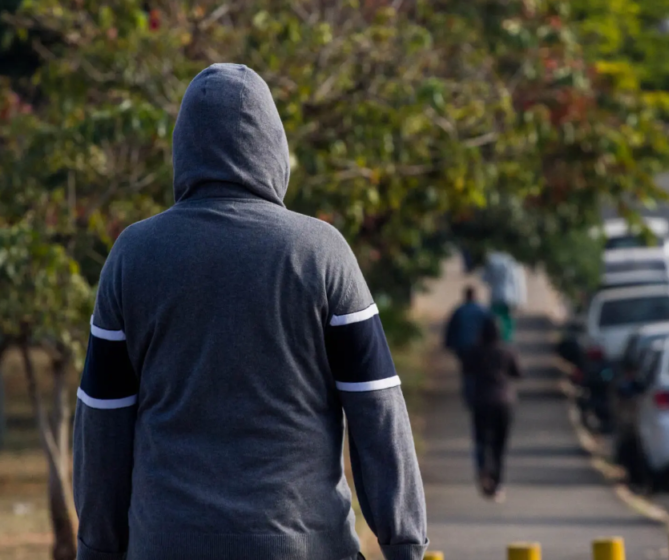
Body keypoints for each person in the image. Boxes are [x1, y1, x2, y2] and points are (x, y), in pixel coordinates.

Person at [72, 64, 427, 560]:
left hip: (168, 544)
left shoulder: (134, 256)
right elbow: (377, 411)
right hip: (304, 544)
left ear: (183, 149)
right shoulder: (321, 252)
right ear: (275, 148)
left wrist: (97, 547)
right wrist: (403, 542)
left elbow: (102, 424)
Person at [462, 317, 522, 502]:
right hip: (504, 402)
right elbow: (518, 373)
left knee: (481, 440)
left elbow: (466, 370)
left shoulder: (475, 351)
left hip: (481, 401)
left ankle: (483, 471)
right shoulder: (507, 351)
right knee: (499, 445)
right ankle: (497, 482)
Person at [444, 286, 490, 406]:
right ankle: (479, 394)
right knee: (479, 371)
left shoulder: (459, 311)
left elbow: (451, 329)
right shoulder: (483, 311)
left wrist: (448, 344)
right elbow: (491, 329)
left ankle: (469, 396)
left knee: (466, 372)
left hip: (463, 347)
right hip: (479, 348)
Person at [482, 252, 526, 342]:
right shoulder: (513, 265)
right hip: (509, 296)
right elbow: (518, 283)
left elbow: (485, 279)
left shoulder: (492, 264)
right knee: (507, 319)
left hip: (496, 295)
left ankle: (494, 338)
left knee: (494, 318)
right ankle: (506, 339)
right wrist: (521, 300)